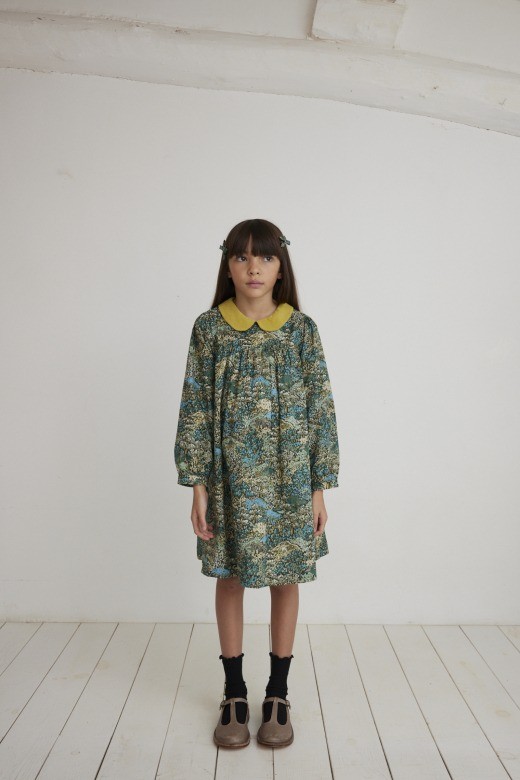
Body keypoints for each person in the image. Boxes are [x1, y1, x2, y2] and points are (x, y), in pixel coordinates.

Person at [174, 218, 340, 749]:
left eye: (265, 257)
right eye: (242, 257)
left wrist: (319, 486)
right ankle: (233, 693)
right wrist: (197, 484)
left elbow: (320, 408)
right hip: (228, 482)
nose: (253, 268)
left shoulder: (301, 330)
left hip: (291, 481)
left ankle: (278, 694)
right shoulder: (209, 329)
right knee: (229, 578)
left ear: (280, 266)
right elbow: (195, 407)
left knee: (285, 579)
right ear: (227, 265)